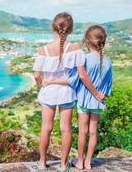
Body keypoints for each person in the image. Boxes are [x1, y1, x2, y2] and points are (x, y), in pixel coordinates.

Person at [33, 13, 104, 171]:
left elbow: (37, 75)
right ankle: (64, 164)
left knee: (46, 128)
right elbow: (81, 74)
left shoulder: (43, 50)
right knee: (66, 129)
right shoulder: (76, 49)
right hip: (67, 93)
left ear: (53, 27)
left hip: (48, 93)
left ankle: (42, 162)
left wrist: (42, 84)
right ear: (70, 30)